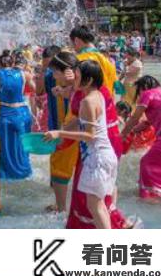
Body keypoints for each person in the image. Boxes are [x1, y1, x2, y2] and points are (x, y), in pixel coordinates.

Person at [44, 61, 118, 229]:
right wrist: (62, 129)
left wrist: (60, 134)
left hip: (97, 159)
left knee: (95, 207)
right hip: (105, 156)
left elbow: (90, 135)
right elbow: (82, 120)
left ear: (89, 80)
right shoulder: (98, 95)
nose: (73, 80)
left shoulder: (87, 102)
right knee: (100, 206)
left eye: (76, 77)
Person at [42, 48, 78, 212]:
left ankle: (61, 209)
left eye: (55, 72)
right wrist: (65, 90)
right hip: (80, 135)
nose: (54, 76)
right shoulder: (81, 84)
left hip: (75, 134)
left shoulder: (81, 88)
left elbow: (82, 114)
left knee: (59, 171)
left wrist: (61, 132)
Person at [0, 50, 33, 180]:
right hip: (22, 113)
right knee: (22, 145)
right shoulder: (24, 74)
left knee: (5, 146)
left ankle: (6, 173)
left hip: (4, 113)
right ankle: (24, 171)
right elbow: (34, 89)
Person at [70, 26, 117, 95]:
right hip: (107, 101)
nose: (72, 47)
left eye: (72, 43)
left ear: (76, 40)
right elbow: (116, 84)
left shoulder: (81, 60)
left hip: (89, 103)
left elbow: (75, 87)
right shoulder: (107, 60)